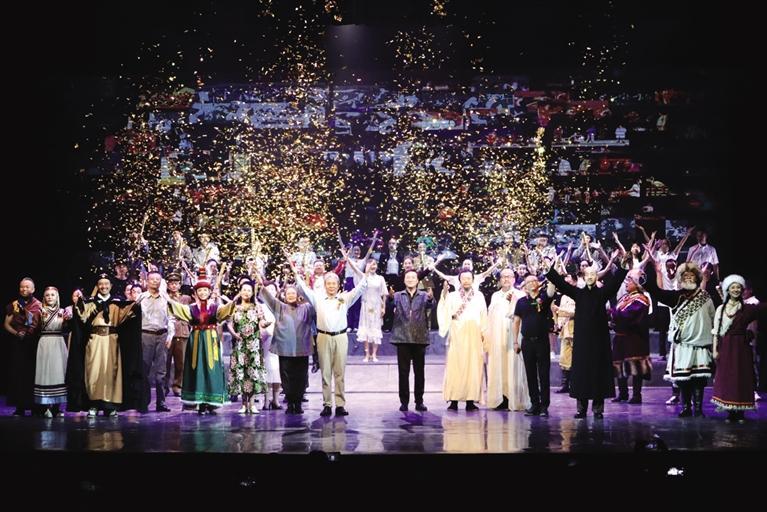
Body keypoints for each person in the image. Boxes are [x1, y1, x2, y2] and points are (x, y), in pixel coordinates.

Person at [545, 251, 630, 419]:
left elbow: (615, 282)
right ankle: (581, 409)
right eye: (587, 274)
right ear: (583, 277)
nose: (590, 277)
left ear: (597, 277)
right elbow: (562, 285)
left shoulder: (602, 293)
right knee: (581, 374)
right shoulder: (578, 293)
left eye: (593, 274)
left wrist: (623, 266)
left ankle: (598, 410)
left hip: (599, 341)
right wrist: (550, 270)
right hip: (582, 341)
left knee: (598, 373)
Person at [294, 246, 367, 417]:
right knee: (325, 373)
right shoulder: (318, 298)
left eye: (334, 283)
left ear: (338, 285)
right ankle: (327, 404)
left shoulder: (345, 298)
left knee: (340, 373)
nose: (331, 286)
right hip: (323, 337)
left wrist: (349, 262)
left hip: (340, 337)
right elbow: (302, 288)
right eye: (329, 283)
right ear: (325, 285)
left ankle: (340, 405)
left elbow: (363, 283)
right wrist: (295, 269)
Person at [645, 261, 716, 417]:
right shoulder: (676, 296)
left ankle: (698, 409)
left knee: (699, 379)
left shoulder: (705, 297)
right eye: (685, 276)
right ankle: (686, 407)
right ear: (681, 279)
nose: (688, 278)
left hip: (700, 345)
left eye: (691, 276)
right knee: (683, 379)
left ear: (697, 278)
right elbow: (658, 293)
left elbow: (713, 318)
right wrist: (649, 278)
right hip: (683, 345)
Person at [165, 268, 238, 414]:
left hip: (210, 339)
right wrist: (168, 300)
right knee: (197, 368)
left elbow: (223, 312)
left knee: (211, 368)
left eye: (205, 290)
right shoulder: (191, 308)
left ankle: (211, 402)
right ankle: (198, 402)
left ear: (209, 292)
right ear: (196, 292)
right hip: (196, 339)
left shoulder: (215, 307)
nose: (203, 293)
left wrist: (232, 303)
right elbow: (179, 309)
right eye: (200, 290)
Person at [68, 275, 142, 417]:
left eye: (106, 284)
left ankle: (110, 405)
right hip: (94, 340)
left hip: (111, 340)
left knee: (111, 372)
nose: (104, 286)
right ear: (97, 286)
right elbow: (81, 316)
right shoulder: (90, 303)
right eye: (101, 284)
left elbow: (129, 314)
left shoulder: (117, 303)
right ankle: (94, 404)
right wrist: (79, 303)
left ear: (111, 286)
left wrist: (136, 305)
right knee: (93, 371)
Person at [711, 275, 767, 422]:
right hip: (726, 346)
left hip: (741, 348)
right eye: (733, 287)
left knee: (741, 377)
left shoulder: (746, 308)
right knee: (728, 378)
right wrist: (715, 350)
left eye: (738, 287)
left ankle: (740, 411)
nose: (736, 290)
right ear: (728, 290)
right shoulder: (721, 309)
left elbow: (762, 308)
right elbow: (716, 332)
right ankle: (730, 412)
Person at [257, 274, 314, 415]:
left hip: (301, 348)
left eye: (293, 293)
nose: (291, 295)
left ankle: (298, 403)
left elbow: (312, 299)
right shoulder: (280, 307)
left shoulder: (307, 308)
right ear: (284, 295)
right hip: (284, 349)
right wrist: (260, 283)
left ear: (298, 295)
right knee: (286, 377)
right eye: (288, 293)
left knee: (301, 377)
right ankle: (290, 402)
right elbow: (269, 298)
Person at [438, 271, 488, 412]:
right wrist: (444, 294)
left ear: (473, 280)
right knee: (455, 365)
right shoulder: (453, 296)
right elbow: (444, 310)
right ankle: (453, 400)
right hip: (457, 333)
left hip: (474, 334)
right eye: (463, 278)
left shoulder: (479, 296)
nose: (466, 280)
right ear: (459, 280)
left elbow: (483, 315)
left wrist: (484, 333)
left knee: (473, 366)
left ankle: (470, 400)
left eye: (469, 278)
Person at [485, 268, 530, 411]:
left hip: (514, 336)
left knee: (514, 366)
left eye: (509, 276)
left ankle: (515, 399)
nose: (506, 279)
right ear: (500, 279)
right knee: (500, 366)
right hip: (498, 337)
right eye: (503, 277)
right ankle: (501, 398)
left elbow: (523, 315)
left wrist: (514, 303)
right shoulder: (495, 296)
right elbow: (490, 316)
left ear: (514, 279)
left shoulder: (520, 294)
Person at [511, 275, 556, 416]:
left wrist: (552, 276)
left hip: (542, 341)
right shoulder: (521, 302)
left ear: (538, 283)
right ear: (524, 285)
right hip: (527, 342)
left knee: (543, 374)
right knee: (530, 374)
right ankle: (534, 404)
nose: (531, 283)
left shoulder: (544, 298)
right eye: (528, 281)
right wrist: (515, 341)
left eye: (534, 281)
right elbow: (516, 322)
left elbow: (551, 291)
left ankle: (544, 406)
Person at [390, 269, 433, 411]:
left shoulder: (424, 295)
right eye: (408, 277)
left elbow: (431, 305)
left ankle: (419, 401)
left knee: (419, 372)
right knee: (403, 372)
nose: (410, 279)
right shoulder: (398, 295)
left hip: (419, 338)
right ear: (404, 280)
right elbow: (389, 308)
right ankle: (404, 402)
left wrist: (431, 299)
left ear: (417, 280)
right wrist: (390, 299)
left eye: (413, 277)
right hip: (402, 338)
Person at [610, 269, 652, 404]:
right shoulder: (625, 297)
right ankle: (623, 393)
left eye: (629, 280)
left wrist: (612, 313)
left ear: (637, 283)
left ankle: (636, 395)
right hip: (620, 336)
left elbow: (628, 315)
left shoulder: (641, 299)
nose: (626, 283)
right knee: (619, 365)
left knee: (635, 366)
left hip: (634, 337)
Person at [3, 278, 42, 416]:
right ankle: (20, 407)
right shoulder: (14, 304)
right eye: (21, 287)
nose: (24, 289)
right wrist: (16, 333)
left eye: (27, 287)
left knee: (33, 374)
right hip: (18, 342)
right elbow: (6, 324)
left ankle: (35, 406)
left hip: (33, 342)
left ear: (33, 289)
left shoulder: (39, 305)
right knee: (18, 373)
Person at [34, 287, 71, 417]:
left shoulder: (63, 312)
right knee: (45, 372)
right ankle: (44, 406)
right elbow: (34, 327)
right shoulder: (40, 311)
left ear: (57, 297)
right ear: (44, 297)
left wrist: (67, 320)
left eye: (53, 295)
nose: (50, 297)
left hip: (58, 341)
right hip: (45, 342)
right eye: (47, 295)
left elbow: (67, 328)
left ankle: (56, 407)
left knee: (59, 372)